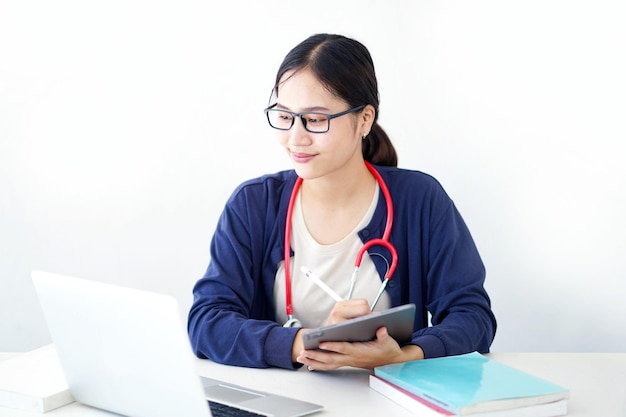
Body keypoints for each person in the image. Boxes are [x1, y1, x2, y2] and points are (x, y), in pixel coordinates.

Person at [188, 33, 496, 371]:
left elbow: (473, 317)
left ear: (364, 119)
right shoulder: (253, 204)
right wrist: (305, 343)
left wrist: (403, 356)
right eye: (285, 115)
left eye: (316, 119)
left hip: (385, 400)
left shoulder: (420, 200)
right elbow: (207, 322)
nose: (296, 138)